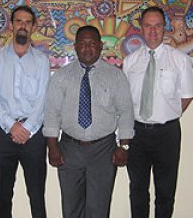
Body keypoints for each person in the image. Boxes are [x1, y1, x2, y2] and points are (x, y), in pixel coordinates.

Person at [43, 25, 134, 218]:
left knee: (99, 209)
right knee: (71, 207)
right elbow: (51, 113)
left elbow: (126, 112)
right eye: (83, 44)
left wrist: (124, 147)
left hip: (104, 150)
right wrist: (52, 147)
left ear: (101, 46)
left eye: (92, 43)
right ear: (75, 47)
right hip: (69, 148)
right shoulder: (61, 77)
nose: (87, 48)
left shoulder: (116, 76)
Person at [123, 6, 193, 218]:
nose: (153, 31)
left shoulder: (179, 60)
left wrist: (164, 116)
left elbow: (187, 96)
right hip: (137, 134)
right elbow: (125, 100)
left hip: (167, 134)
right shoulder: (130, 62)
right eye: (148, 26)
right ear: (141, 29)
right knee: (137, 190)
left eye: (157, 26)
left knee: (165, 191)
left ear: (165, 28)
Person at [0, 5, 50, 218]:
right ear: (11, 25)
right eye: (19, 21)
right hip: (3, 134)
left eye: (27, 22)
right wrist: (12, 126)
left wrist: (28, 128)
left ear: (33, 27)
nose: (23, 26)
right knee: (2, 195)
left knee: (37, 195)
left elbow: (43, 99)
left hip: (33, 136)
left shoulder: (42, 60)